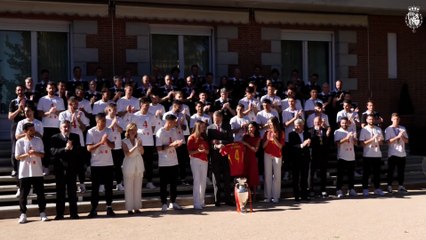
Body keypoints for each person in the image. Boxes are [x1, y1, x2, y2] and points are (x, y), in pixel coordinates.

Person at [15, 123, 48, 223]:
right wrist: (27, 154)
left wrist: (34, 153)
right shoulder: (19, 142)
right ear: (25, 131)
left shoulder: (38, 140)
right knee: (23, 195)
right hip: (24, 172)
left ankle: (42, 213)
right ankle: (23, 214)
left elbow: (42, 154)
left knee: (40, 194)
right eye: (31, 130)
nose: (33, 132)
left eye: (33, 130)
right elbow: (17, 157)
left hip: (37, 171)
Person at [86, 113, 116, 217]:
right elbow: (89, 148)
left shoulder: (108, 130)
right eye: (102, 121)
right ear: (97, 121)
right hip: (96, 164)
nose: (104, 123)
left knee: (108, 187)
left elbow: (113, 146)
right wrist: (101, 142)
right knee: (95, 188)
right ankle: (94, 208)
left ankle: (109, 207)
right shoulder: (91, 132)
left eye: (105, 121)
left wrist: (106, 140)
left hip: (108, 163)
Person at [50, 120, 80, 220]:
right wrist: (65, 149)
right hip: (60, 169)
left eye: (67, 126)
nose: (66, 128)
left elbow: (79, 151)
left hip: (72, 168)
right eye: (64, 127)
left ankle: (74, 213)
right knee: (60, 192)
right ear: (60, 128)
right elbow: (53, 152)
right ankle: (59, 214)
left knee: (72, 192)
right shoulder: (54, 138)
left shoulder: (75, 137)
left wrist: (72, 148)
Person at [156, 114, 184, 212]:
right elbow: (159, 148)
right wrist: (170, 145)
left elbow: (174, 145)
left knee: (174, 183)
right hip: (164, 162)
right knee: (163, 184)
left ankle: (173, 202)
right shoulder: (160, 132)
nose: (174, 124)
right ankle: (164, 203)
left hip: (174, 161)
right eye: (172, 122)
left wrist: (177, 144)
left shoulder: (173, 131)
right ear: (168, 121)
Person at [207, 111, 234, 206]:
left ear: (221, 118)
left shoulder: (227, 126)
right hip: (214, 157)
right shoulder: (209, 128)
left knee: (227, 178)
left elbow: (231, 140)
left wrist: (220, 142)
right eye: (215, 119)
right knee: (216, 179)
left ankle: (228, 199)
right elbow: (208, 143)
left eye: (218, 118)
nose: (216, 120)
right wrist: (215, 146)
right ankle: (217, 200)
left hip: (226, 156)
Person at [37, 82, 65, 175]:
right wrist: (49, 112)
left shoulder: (60, 99)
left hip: (57, 127)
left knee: (58, 147)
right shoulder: (42, 99)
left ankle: (58, 167)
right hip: (46, 126)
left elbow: (63, 113)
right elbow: (39, 113)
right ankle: (45, 166)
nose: (51, 90)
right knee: (47, 147)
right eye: (49, 88)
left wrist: (55, 112)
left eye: (53, 88)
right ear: (46, 89)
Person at [133, 97, 157, 189]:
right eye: (145, 105)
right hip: (138, 143)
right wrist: (139, 133)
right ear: (141, 105)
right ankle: (137, 182)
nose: (147, 107)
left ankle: (149, 181)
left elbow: (153, 128)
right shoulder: (135, 115)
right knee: (138, 162)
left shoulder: (151, 116)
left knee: (149, 163)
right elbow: (132, 129)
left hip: (149, 143)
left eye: (148, 105)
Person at [122, 122, 145, 214]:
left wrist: (139, 147)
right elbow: (127, 153)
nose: (133, 131)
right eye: (131, 130)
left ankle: (137, 207)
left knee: (138, 186)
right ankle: (129, 208)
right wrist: (135, 146)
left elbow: (142, 152)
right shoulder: (124, 141)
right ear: (128, 130)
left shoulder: (139, 139)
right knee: (129, 187)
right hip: (129, 163)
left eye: (135, 130)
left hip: (138, 162)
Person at [359, 114, 384, 197]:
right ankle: (365, 189)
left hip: (377, 154)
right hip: (367, 154)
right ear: (366, 120)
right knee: (366, 173)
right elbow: (362, 143)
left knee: (377, 173)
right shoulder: (364, 130)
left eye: (372, 119)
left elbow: (382, 142)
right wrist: (372, 139)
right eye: (369, 119)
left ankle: (377, 188)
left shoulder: (378, 129)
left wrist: (380, 141)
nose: (371, 121)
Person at [187, 120, 209, 210]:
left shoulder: (204, 137)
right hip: (195, 160)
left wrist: (204, 150)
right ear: (198, 127)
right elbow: (190, 152)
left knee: (203, 182)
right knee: (197, 181)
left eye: (204, 126)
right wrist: (198, 151)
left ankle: (201, 201)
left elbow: (208, 151)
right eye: (202, 126)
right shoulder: (191, 138)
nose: (204, 128)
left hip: (204, 160)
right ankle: (196, 203)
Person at [262, 116, 285, 203]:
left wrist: (274, 138)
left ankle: (276, 196)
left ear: (275, 123)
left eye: (271, 123)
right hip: (267, 154)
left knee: (277, 176)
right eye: (269, 123)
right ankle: (267, 196)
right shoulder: (266, 132)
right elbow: (263, 146)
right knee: (267, 175)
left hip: (277, 155)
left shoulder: (281, 132)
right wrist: (268, 139)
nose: (269, 125)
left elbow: (280, 146)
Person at [385, 113, 409, 193]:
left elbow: (407, 141)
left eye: (398, 119)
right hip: (393, 153)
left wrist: (402, 136)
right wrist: (397, 137)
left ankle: (401, 186)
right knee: (391, 171)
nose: (396, 120)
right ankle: (389, 186)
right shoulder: (388, 129)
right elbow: (388, 142)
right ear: (391, 119)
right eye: (395, 119)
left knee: (401, 171)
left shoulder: (402, 128)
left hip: (402, 153)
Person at [334, 117, 358, 198]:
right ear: (340, 123)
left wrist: (354, 139)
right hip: (342, 156)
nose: (344, 124)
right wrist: (346, 138)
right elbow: (337, 143)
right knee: (340, 175)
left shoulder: (351, 131)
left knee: (351, 175)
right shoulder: (337, 131)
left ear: (348, 123)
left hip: (351, 155)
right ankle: (339, 190)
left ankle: (351, 189)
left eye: (345, 122)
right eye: (342, 123)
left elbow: (356, 144)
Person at [289, 119, 311, 201]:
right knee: (296, 178)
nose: (296, 127)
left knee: (304, 177)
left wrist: (309, 143)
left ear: (302, 125)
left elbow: (310, 145)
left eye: (298, 125)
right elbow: (292, 146)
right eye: (295, 125)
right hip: (296, 159)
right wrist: (302, 145)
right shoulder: (291, 134)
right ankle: (296, 196)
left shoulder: (307, 133)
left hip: (305, 158)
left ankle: (304, 195)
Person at [9, 85, 28, 177]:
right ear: (16, 91)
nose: (20, 91)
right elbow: (10, 117)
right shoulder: (13, 102)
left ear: (24, 90)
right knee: (14, 147)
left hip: (26, 125)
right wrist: (18, 109)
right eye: (18, 90)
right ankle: (15, 169)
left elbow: (31, 114)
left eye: (21, 89)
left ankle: (25, 168)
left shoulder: (28, 101)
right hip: (15, 126)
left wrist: (24, 108)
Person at [105, 103, 125, 191]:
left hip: (117, 146)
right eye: (114, 110)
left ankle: (119, 183)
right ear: (109, 110)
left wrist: (116, 124)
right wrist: (112, 124)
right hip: (107, 146)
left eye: (116, 110)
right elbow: (104, 132)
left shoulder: (119, 119)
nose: (116, 112)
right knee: (106, 166)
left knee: (118, 166)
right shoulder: (104, 119)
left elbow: (121, 131)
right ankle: (104, 184)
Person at [309, 116, 330, 198]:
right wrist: (316, 133)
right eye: (315, 122)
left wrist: (327, 134)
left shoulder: (325, 131)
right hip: (313, 155)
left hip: (323, 155)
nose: (317, 123)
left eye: (318, 122)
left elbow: (327, 142)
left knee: (323, 174)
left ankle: (323, 190)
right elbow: (310, 141)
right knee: (311, 173)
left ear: (321, 122)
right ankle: (311, 190)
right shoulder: (310, 131)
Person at [241, 122, 261, 194]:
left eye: (251, 127)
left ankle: (254, 194)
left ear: (255, 128)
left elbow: (255, 149)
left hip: (252, 157)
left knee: (253, 174)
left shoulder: (258, 137)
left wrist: (247, 144)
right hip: (245, 157)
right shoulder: (245, 136)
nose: (250, 129)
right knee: (245, 174)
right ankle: (245, 192)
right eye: (249, 127)